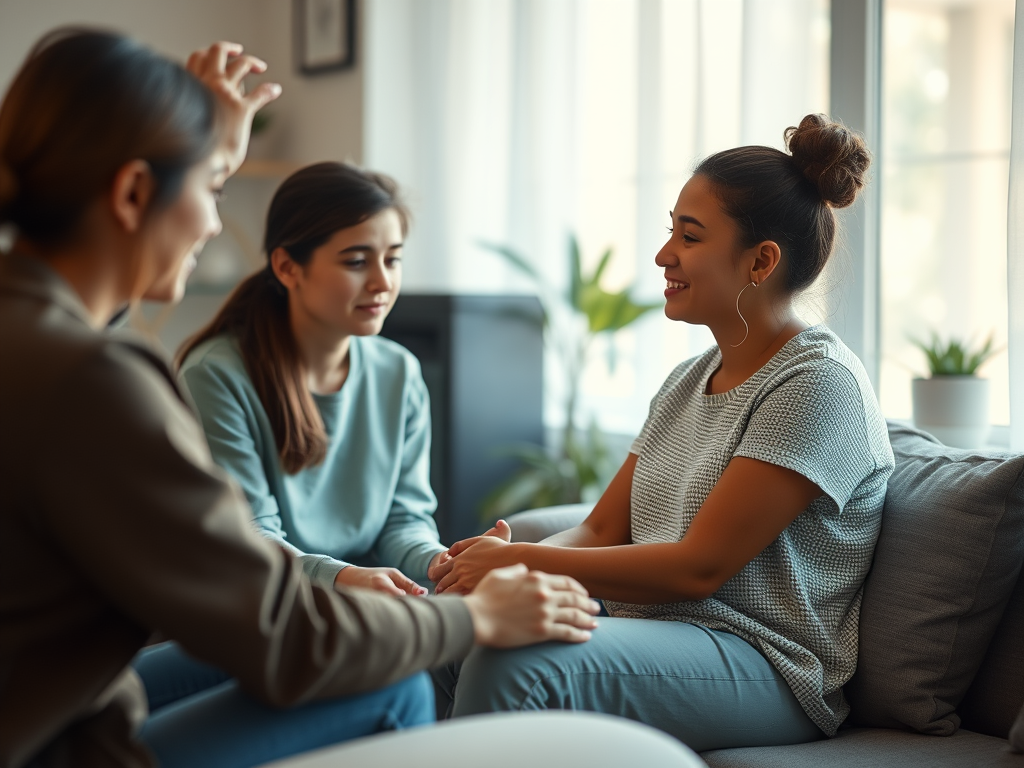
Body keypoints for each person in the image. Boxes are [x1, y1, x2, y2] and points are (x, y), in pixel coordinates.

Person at [0, 28, 598, 768]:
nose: (216, 222)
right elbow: (287, 636)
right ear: (131, 193)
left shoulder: (34, 335)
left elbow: (392, 527)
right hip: (57, 745)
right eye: (211, 190)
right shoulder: (104, 381)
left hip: (60, 709)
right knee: (399, 691)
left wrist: (208, 147)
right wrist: (472, 617)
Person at [432, 114, 896, 752]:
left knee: (514, 661)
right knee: (455, 628)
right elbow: (599, 531)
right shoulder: (688, 379)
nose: (664, 255)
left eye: (691, 235)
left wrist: (518, 559)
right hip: (652, 632)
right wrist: (500, 572)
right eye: (670, 230)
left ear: (761, 261)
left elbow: (696, 568)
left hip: (761, 661)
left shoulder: (819, 384)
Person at [175, 161, 481, 599]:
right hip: (250, 606)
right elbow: (249, 538)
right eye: (357, 261)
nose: (382, 281)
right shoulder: (217, 376)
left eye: (393, 259)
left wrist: (441, 563)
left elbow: (403, 520)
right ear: (287, 267)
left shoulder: (399, 372)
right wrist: (341, 577)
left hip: (357, 605)